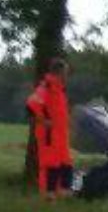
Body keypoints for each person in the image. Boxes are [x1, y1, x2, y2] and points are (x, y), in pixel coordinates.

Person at [25, 57, 73, 203]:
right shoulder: (46, 87)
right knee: (51, 164)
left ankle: (63, 193)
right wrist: (44, 121)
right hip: (49, 135)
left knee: (65, 163)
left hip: (61, 134)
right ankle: (49, 195)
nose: (67, 76)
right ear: (59, 72)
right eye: (65, 72)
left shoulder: (59, 89)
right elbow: (31, 104)